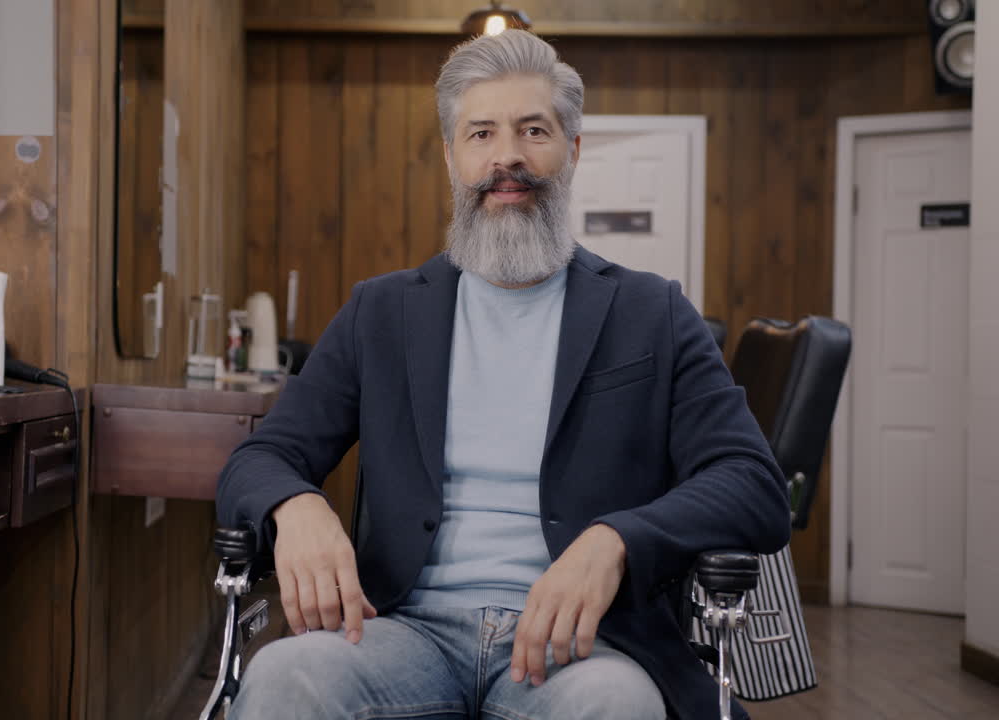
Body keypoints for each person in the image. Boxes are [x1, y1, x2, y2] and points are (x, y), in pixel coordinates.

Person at [216, 29, 790, 720]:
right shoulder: (383, 312)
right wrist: (294, 504)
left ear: (571, 152)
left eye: (533, 131)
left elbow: (754, 486)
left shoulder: (650, 311)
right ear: (453, 157)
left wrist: (616, 541)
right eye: (481, 134)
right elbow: (261, 457)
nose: (506, 156)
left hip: (584, 647)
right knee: (283, 679)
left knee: (617, 706)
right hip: (401, 630)